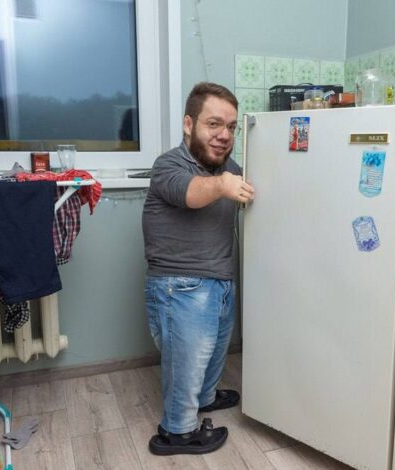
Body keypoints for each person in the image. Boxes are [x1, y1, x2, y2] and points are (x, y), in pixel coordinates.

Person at [142, 82, 255, 455]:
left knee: (212, 355)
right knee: (186, 364)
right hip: (179, 286)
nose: (224, 135)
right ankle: (176, 432)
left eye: (231, 127)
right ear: (189, 124)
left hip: (220, 282)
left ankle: (205, 398)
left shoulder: (230, 169)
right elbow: (190, 194)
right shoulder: (168, 165)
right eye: (214, 124)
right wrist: (223, 184)